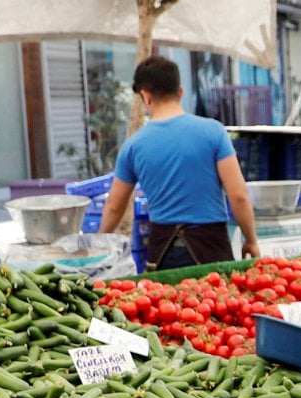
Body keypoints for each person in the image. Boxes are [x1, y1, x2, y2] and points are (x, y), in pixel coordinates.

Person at [99, 56, 260, 269]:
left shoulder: (133, 146)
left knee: (169, 301)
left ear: (145, 96)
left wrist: (98, 244)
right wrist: (251, 240)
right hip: (212, 250)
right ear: (180, 91)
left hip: (164, 255)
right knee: (216, 301)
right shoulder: (213, 132)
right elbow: (238, 196)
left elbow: (114, 206)